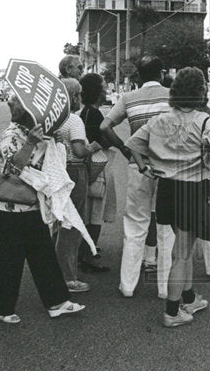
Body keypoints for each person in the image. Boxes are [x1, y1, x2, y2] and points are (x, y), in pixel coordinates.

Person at [125, 67, 210, 328]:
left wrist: (143, 167)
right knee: (182, 253)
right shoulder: (205, 121)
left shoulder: (160, 119)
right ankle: (172, 312)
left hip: (167, 189)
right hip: (192, 189)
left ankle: (189, 297)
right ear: (200, 92)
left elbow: (133, 145)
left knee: (183, 246)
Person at [0, 94, 84, 323]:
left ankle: (57, 302)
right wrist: (31, 142)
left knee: (43, 255)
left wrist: (52, 141)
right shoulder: (12, 135)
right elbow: (13, 168)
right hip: (11, 209)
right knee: (11, 259)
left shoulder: (34, 134)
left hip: (31, 205)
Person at [101, 54, 175, 298]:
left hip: (138, 165)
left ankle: (127, 285)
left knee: (134, 225)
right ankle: (165, 289)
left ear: (139, 76)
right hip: (168, 168)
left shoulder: (129, 98)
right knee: (166, 228)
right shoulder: (172, 97)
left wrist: (125, 149)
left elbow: (104, 127)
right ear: (161, 73)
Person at [53, 77, 102, 294]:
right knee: (72, 225)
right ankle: (68, 278)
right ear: (72, 96)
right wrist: (92, 147)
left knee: (57, 221)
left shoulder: (52, 119)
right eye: (78, 94)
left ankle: (54, 270)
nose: (81, 98)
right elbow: (79, 151)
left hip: (56, 171)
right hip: (74, 170)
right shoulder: (74, 121)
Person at [77, 72, 115, 273]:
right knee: (94, 214)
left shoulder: (85, 113)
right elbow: (99, 141)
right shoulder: (94, 114)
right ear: (97, 92)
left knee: (87, 212)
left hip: (88, 167)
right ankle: (89, 256)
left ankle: (84, 250)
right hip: (96, 167)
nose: (106, 89)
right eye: (103, 86)